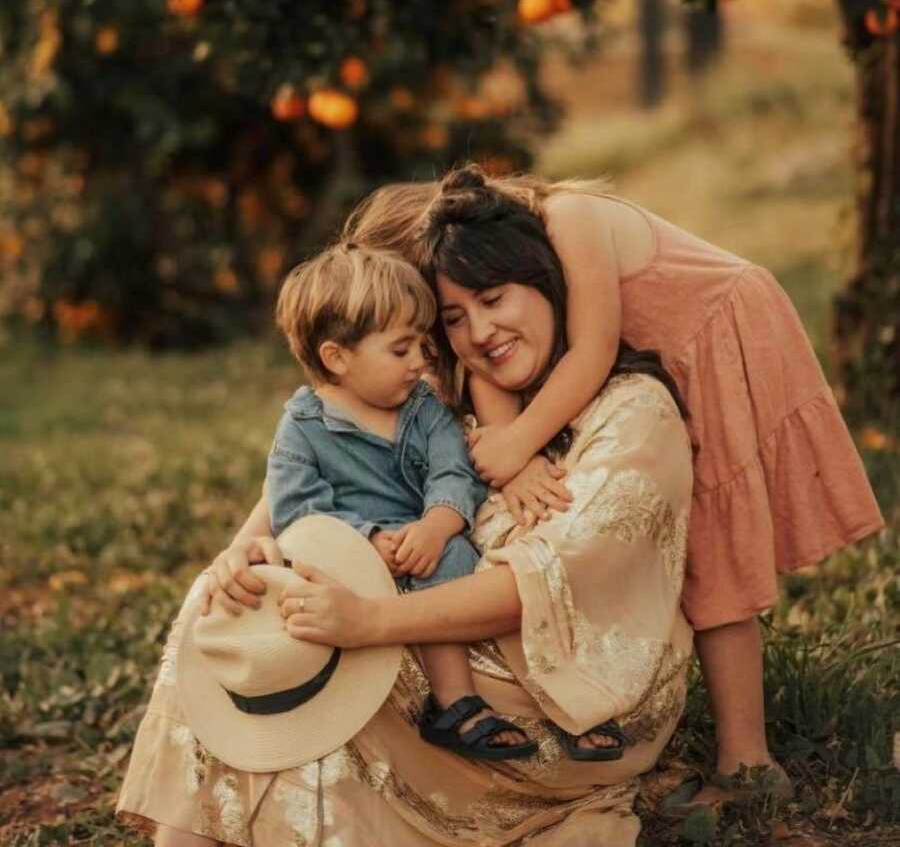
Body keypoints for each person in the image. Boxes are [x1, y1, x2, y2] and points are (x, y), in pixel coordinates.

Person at [116, 191, 695, 846]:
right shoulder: (451, 396)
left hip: (569, 706)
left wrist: (369, 622)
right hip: (445, 646)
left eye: (495, 298)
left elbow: (538, 587)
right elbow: (311, 470)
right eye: (454, 317)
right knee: (229, 604)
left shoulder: (634, 415)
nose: (479, 333)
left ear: (549, 284)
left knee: (319, 651)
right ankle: (195, 833)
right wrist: (241, 551)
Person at [340, 164, 884, 803]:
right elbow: (482, 364)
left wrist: (515, 443)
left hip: (709, 334)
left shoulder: (570, 218)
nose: (461, 328)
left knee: (716, 547)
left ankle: (749, 764)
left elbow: (594, 348)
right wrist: (511, 452)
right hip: (646, 362)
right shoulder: (493, 293)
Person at [265, 241, 538, 761]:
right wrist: (367, 540)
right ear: (336, 357)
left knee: (455, 554)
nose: (419, 362)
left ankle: (456, 703)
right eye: (400, 349)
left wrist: (436, 524)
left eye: (420, 346)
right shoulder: (302, 429)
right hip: (349, 561)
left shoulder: (425, 408)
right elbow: (298, 512)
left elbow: (453, 469)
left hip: (426, 548)